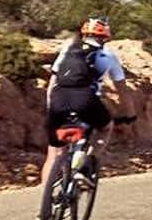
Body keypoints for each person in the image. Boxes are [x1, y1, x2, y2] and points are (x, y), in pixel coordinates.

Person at [41, 16, 126, 186]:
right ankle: (86, 164)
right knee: (105, 127)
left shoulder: (68, 49)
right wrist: (127, 112)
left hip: (59, 99)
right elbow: (121, 88)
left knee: (55, 152)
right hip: (86, 100)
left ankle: (45, 199)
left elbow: (53, 81)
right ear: (106, 37)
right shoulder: (108, 55)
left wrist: (50, 106)